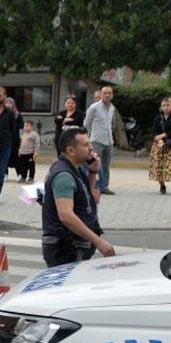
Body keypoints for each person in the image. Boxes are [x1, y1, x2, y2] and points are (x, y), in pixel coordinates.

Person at [41, 128, 116, 267]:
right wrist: (98, 242)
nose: (91, 148)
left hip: (75, 247)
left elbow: (93, 199)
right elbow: (66, 216)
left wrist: (93, 171)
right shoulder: (64, 176)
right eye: (86, 145)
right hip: (65, 248)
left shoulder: (77, 169)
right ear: (71, 150)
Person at [83, 85, 117, 195]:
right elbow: (86, 123)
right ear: (101, 94)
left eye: (109, 93)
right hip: (96, 139)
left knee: (106, 165)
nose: (107, 95)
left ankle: (104, 186)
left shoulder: (112, 108)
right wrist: (92, 133)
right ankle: (94, 185)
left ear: (112, 95)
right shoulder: (94, 107)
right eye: (105, 93)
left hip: (109, 140)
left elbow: (112, 124)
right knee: (95, 163)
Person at [148, 97, 171, 196]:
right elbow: (154, 132)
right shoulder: (157, 118)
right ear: (161, 107)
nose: (166, 107)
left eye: (168, 105)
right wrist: (159, 140)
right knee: (159, 166)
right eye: (164, 105)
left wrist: (163, 135)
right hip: (159, 145)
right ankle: (162, 185)